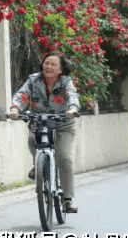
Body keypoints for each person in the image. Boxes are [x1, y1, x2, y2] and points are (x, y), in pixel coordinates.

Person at [7, 52, 80, 213]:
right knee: (33, 139)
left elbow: (71, 96)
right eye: (46, 63)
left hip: (63, 125)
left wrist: (73, 108)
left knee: (64, 158)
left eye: (53, 64)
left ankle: (67, 198)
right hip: (39, 122)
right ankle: (38, 165)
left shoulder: (66, 82)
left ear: (60, 70)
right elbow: (22, 94)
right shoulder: (34, 80)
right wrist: (15, 108)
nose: (48, 67)